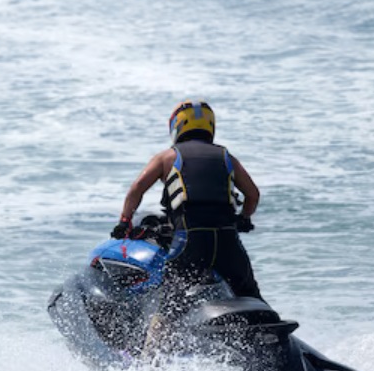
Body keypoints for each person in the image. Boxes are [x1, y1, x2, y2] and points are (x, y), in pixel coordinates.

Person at [111, 100, 263, 338]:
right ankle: (276, 341)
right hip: (227, 241)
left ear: (177, 127)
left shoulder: (166, 158)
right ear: (210, 126)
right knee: (250, 295)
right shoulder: (227, 157)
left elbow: (136, 190)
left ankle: (150, 365)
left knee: (170, 306)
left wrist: (124, 222)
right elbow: (252, 195)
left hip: (190, 241)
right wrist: (244, 218)